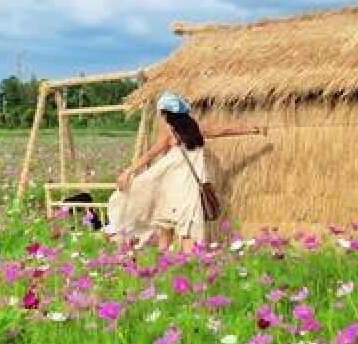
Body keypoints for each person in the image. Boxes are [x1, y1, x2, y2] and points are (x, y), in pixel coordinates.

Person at [103, 91, 266, 253]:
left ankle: (163, 268)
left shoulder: (170, 133)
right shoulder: (196, 131)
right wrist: (253, 129)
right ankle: (189, 266)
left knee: (166, 231)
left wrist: (129, 172)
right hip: (189, 190)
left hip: (171, 190)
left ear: (168, 114)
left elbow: (150, 154)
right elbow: (224, 131)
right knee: (186, 232)